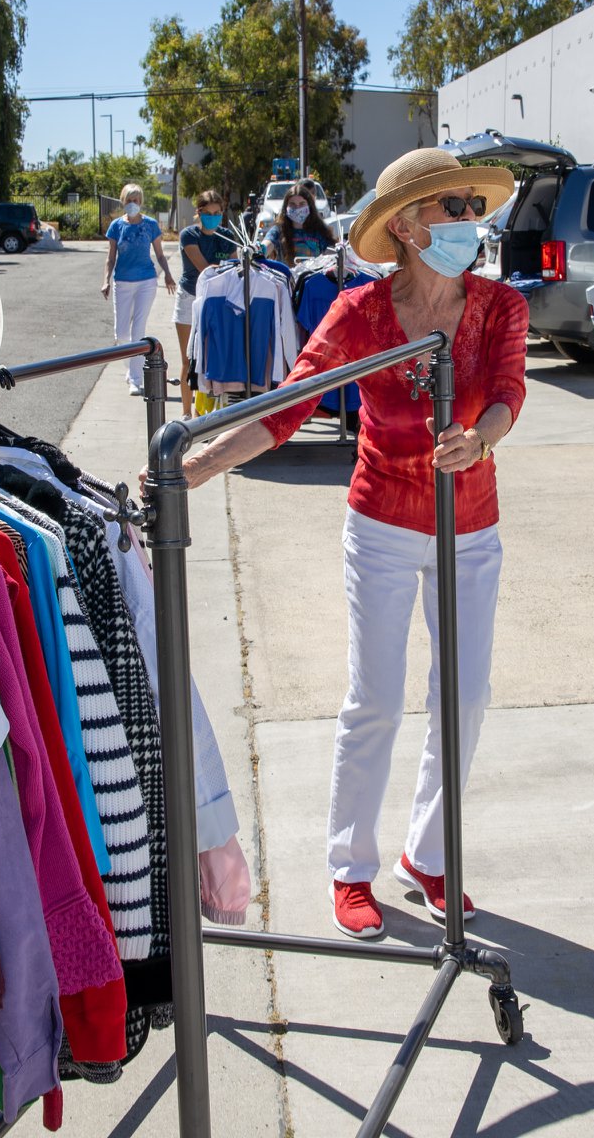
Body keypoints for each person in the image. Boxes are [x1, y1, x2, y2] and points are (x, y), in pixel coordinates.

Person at [176, 148, 525, 939]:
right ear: (405, 225)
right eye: (455, 208)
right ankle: (350, 866)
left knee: (464, 698)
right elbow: (290, 404)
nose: (473, 221)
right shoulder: (358, 315)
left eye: (476, 206)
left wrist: (479, 438)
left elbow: (508, 392)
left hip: (472, 528)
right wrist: (199, 463)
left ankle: (430, 857)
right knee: (374, 697)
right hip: (383, 528)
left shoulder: (500, 307)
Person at [102, 183, 172, 396]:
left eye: (137, 200)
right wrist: (106, 280)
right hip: (122, 282)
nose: (133, 204)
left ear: (141, 202)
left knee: (138, 331)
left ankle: (135, 379)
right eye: (129, 200)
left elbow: (159, 254)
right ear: (123, 201)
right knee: (122, 334)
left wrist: (168, 274)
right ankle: (130, 369)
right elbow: (111, 257)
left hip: (146, 282)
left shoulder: (150, 225)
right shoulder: (116, 226)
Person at [176, 189, 236, 418]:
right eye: (208, 212)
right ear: (199, 212)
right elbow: (204, 269)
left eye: (217, 212)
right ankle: (186, 413)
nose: (213, 216)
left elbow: (234, 269)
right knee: (187, 359)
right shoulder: (188, 235)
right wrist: (224, 266)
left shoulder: (227, 236)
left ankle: (208, 413)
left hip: (218, 301)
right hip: (190, 297)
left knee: (211, 357)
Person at [263, 183, 332, 264]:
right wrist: (258, 250)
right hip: (286, 276)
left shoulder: (319, 231)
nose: (297, 208)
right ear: (286, 207)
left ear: (309, 206)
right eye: (292, 204)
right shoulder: (278, 230)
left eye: (302, 204)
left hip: (314, 275)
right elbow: (268, 243)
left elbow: (331, 254)